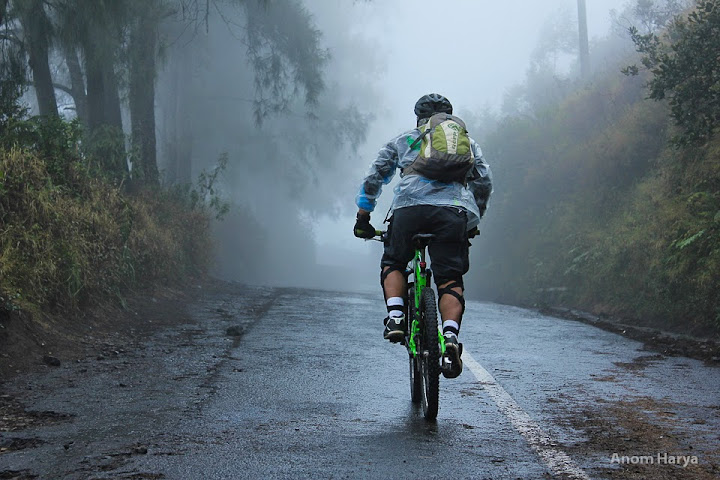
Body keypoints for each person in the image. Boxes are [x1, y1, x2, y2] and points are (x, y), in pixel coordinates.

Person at [353, 93, 492, 378]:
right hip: (453, 214)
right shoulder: (467, 143)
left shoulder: (405, 140)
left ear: (418, 117)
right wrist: (473, 216)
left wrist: (363, 217)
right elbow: (484, 180)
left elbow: (375, 176)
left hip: (409, 211)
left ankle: (395, 318)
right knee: (450, 278)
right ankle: (450, 337)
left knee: (393, 261)